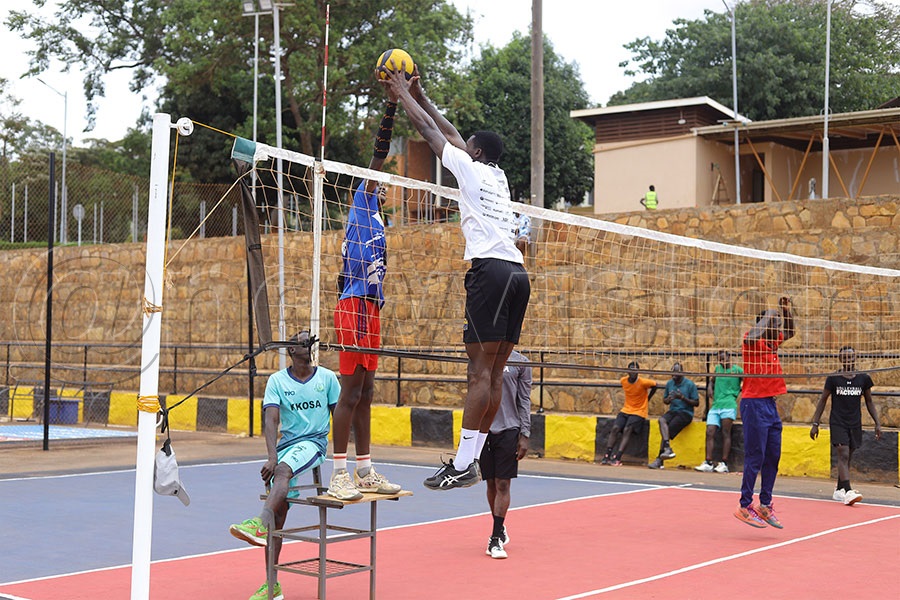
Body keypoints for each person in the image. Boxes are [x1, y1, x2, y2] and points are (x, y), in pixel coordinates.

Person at [381, 64, 530, 491]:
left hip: (490, 271)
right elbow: (449, 133)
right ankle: (470, 460)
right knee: (496, 371)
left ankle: (465, 462)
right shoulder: (497, 177)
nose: (460, 147)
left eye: (467, 147)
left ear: (475, 153)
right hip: (518, 275)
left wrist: (401, 95)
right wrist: (421, 94)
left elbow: (431, 132)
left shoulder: (469, 169)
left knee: (478, 373)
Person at [327, 85, 402, 501]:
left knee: (368, 390)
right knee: (350, 390)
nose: (384, 185)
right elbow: (378, 155)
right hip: (352, 304)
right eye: (380, 180)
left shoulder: (379, 221)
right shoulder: (361, 201)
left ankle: (365, 469)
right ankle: (339, 472)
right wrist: (391, 106)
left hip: (372, 306)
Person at [229, 331, 340, 600]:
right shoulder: (277, 381)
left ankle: (259, 522)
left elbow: (342, 415)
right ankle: (272, 584)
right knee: (278, 514)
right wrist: (271, 456)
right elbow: (271, 420)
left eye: (309, 340)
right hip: (287, 446)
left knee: (282, 471)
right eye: (302, 341)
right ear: (291, 350)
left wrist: (344, 463)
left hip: (314, 443)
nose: (308, 344)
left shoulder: (327, 378)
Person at [733, 297, 794, 529]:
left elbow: (790, 332)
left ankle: (765, 505)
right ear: (763, 324)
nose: (777, 327)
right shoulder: (750, 340)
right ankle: (744, 506)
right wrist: (769, 314)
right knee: (754, 457)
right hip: (753, 404)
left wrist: (786, 312)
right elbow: (756, 331)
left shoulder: (771, 341)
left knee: (773, 457)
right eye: (773, 323)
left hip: (770, 405)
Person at [810, 346, 882, 505]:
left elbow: (869, 401)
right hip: (838, 422)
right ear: (840, 360)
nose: (848, 361)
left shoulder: (863, 378)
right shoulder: (834, 378)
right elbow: (823, 400)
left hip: (854, 422)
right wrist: (815, 423)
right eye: (845, 358)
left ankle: (839, 490)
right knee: (842, 454)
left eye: (851, 357)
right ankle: (848, 491)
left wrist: (877, 423)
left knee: (848, 455)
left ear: (855, 358)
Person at [481, 349, 531, 559]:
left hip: (509, 429)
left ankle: (495, 538)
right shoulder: (481, 356)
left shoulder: (521, 361)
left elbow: (524, 398)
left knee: (503, 483)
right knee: (491, 483)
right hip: (483, 430)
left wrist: (525, 433)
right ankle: (499, 528)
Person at [601, 362, 657, 466]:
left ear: (638, 372)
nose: (633, 372)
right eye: (631, 370)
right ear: (628, 371)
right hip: (626, 410)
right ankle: (607, 455)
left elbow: (655, 385)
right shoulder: (623, 381)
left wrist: (647, 399)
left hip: (639, 411)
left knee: (627, 429)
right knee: (615, 428)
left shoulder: (643, 382)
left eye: (635, 370)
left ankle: (618, 457)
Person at [696, 350, 742, 473]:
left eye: (724, 358)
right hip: (716, 405)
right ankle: (708, 461)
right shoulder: (718, 369)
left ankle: (724, 462)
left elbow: (747, 382)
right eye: (720, 359)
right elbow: (712, 380)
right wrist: (709, 387)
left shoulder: (737, 371)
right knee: (710, 431)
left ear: (729, 358)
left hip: (729, 404)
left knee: (725, 432)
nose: (722, 361)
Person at [648, 362, 698, 469]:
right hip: (673, 411)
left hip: (685, 413)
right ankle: (667, 448)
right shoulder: (669, 384)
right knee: (662, 420)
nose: (674, 376)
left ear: (681, 373)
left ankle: (659, 460)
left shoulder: (690, 384)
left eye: (676, 373)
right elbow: (665, 400)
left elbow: (696, 403)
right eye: (672, 373)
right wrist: (669, 399)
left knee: (667, 430)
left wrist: (682, 398)